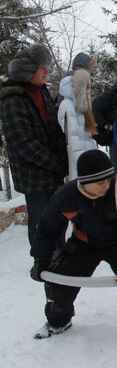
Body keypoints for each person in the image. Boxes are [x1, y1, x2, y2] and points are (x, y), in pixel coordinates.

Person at [29, 150, 117, 347]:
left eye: (108, 179)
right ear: (84, 181)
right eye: (100, 182)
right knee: (59, 281)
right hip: (84, 243)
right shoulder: (66, 197)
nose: (106, 184)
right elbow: (47, 229)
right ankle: (58, 322)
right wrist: (40, 260)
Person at [0, 43, 68, 251]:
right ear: (27, 69)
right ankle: (45, 265)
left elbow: (53, 126)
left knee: (58, 222)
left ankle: (60, 260)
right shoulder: (13, 100)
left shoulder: (42, 91)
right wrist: (56, 163)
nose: (47, 72)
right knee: (42, 225)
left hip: (53, 173)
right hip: (35, 178)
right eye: (42, 68)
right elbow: (23, 144)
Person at [56, 66, 97, 179]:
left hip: (87, 154)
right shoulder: (67, 106)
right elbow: (71, 139)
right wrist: (83, 160)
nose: (88, 90)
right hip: (79, 161)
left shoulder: (81, 105)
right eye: (86, 87)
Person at [92, 76, 117, 169]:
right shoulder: (111, 95)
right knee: (116, 163)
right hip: (114, 135)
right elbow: (95, 108)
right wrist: (104, 124)